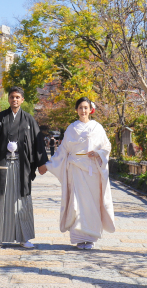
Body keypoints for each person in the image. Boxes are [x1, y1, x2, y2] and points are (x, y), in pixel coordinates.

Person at [0, 86, 48, 250]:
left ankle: (24, 238)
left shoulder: (29, 120)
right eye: (12, 97)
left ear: (22, 100)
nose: (14, 100)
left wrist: (41, 163)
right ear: (8, 99)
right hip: (3, 166)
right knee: (1, 199)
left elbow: (37, 142)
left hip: (22, 166)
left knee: (22, 201)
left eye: (18, 97)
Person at [44, 97, 115, 249]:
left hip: (92, 171)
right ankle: (78, 237)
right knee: (76, 203)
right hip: (76, 169)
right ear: (76, 110)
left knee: (91, 204)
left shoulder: (97, 127)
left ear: (91, 110)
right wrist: (49, 165)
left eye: (86, 108)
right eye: (80, 108)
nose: (83, 111)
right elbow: (63, 150)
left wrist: (98, 153)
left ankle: (90, 238)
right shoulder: (71, 128)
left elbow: (107, 146)